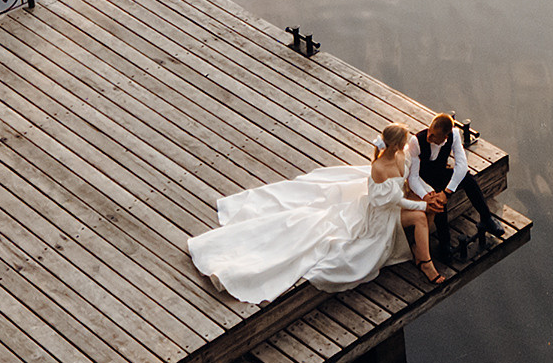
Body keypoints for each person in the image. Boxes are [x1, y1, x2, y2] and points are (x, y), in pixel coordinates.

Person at [187, 123, 448, 301]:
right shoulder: (379, 168)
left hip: (393, 206)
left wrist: (429, 194)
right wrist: (424, 205)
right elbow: (388, 203)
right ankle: (425, 263)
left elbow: (410, 178)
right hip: (380, 216)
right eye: (404, 141)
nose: (407, 144)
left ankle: (421, 255)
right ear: (395, 146)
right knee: (420, 217)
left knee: (425, 215)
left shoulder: (403, 157)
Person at [408, 112, 502, 265]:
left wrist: (448, 191)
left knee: (468, 179)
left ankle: (486, 218)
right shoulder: (416, 141)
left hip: (441, 173)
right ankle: (444, 242)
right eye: (430, 133)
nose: (429, 138)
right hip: (425, 179)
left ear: (445, 137)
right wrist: (425, 195)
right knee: (438, 203)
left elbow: (462, 166)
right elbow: (413, 177)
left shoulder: (454, 135)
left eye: (434, 137)